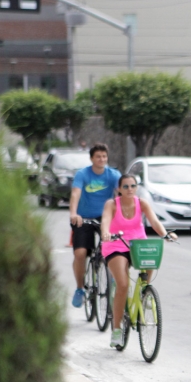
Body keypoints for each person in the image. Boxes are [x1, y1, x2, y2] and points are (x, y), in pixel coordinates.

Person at [100, 175, 177, 348]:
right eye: (125, 186)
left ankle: (144, 293)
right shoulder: (112, 204)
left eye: (133, 186)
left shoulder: (142, 203)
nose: (129, 189)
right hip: (115, 245)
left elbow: (154, 221)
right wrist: (105, 232)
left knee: (151, 260)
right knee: (122, 284)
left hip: (138, 245)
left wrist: (165, 234)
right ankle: (117, 329)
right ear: (119, 189)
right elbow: (105, 221)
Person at [69, 143, 122, 309]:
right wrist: (73, 213)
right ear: (92, 158)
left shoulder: (113, 175)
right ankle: (80, 288)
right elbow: (75, 193)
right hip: (83, 217)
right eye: (98, 156)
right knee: (80, 253)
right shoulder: (83, 174)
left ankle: (113, 280)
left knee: (113, 249)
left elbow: (121, 194)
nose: (102, 159)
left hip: (105, 217)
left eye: (104, 156)